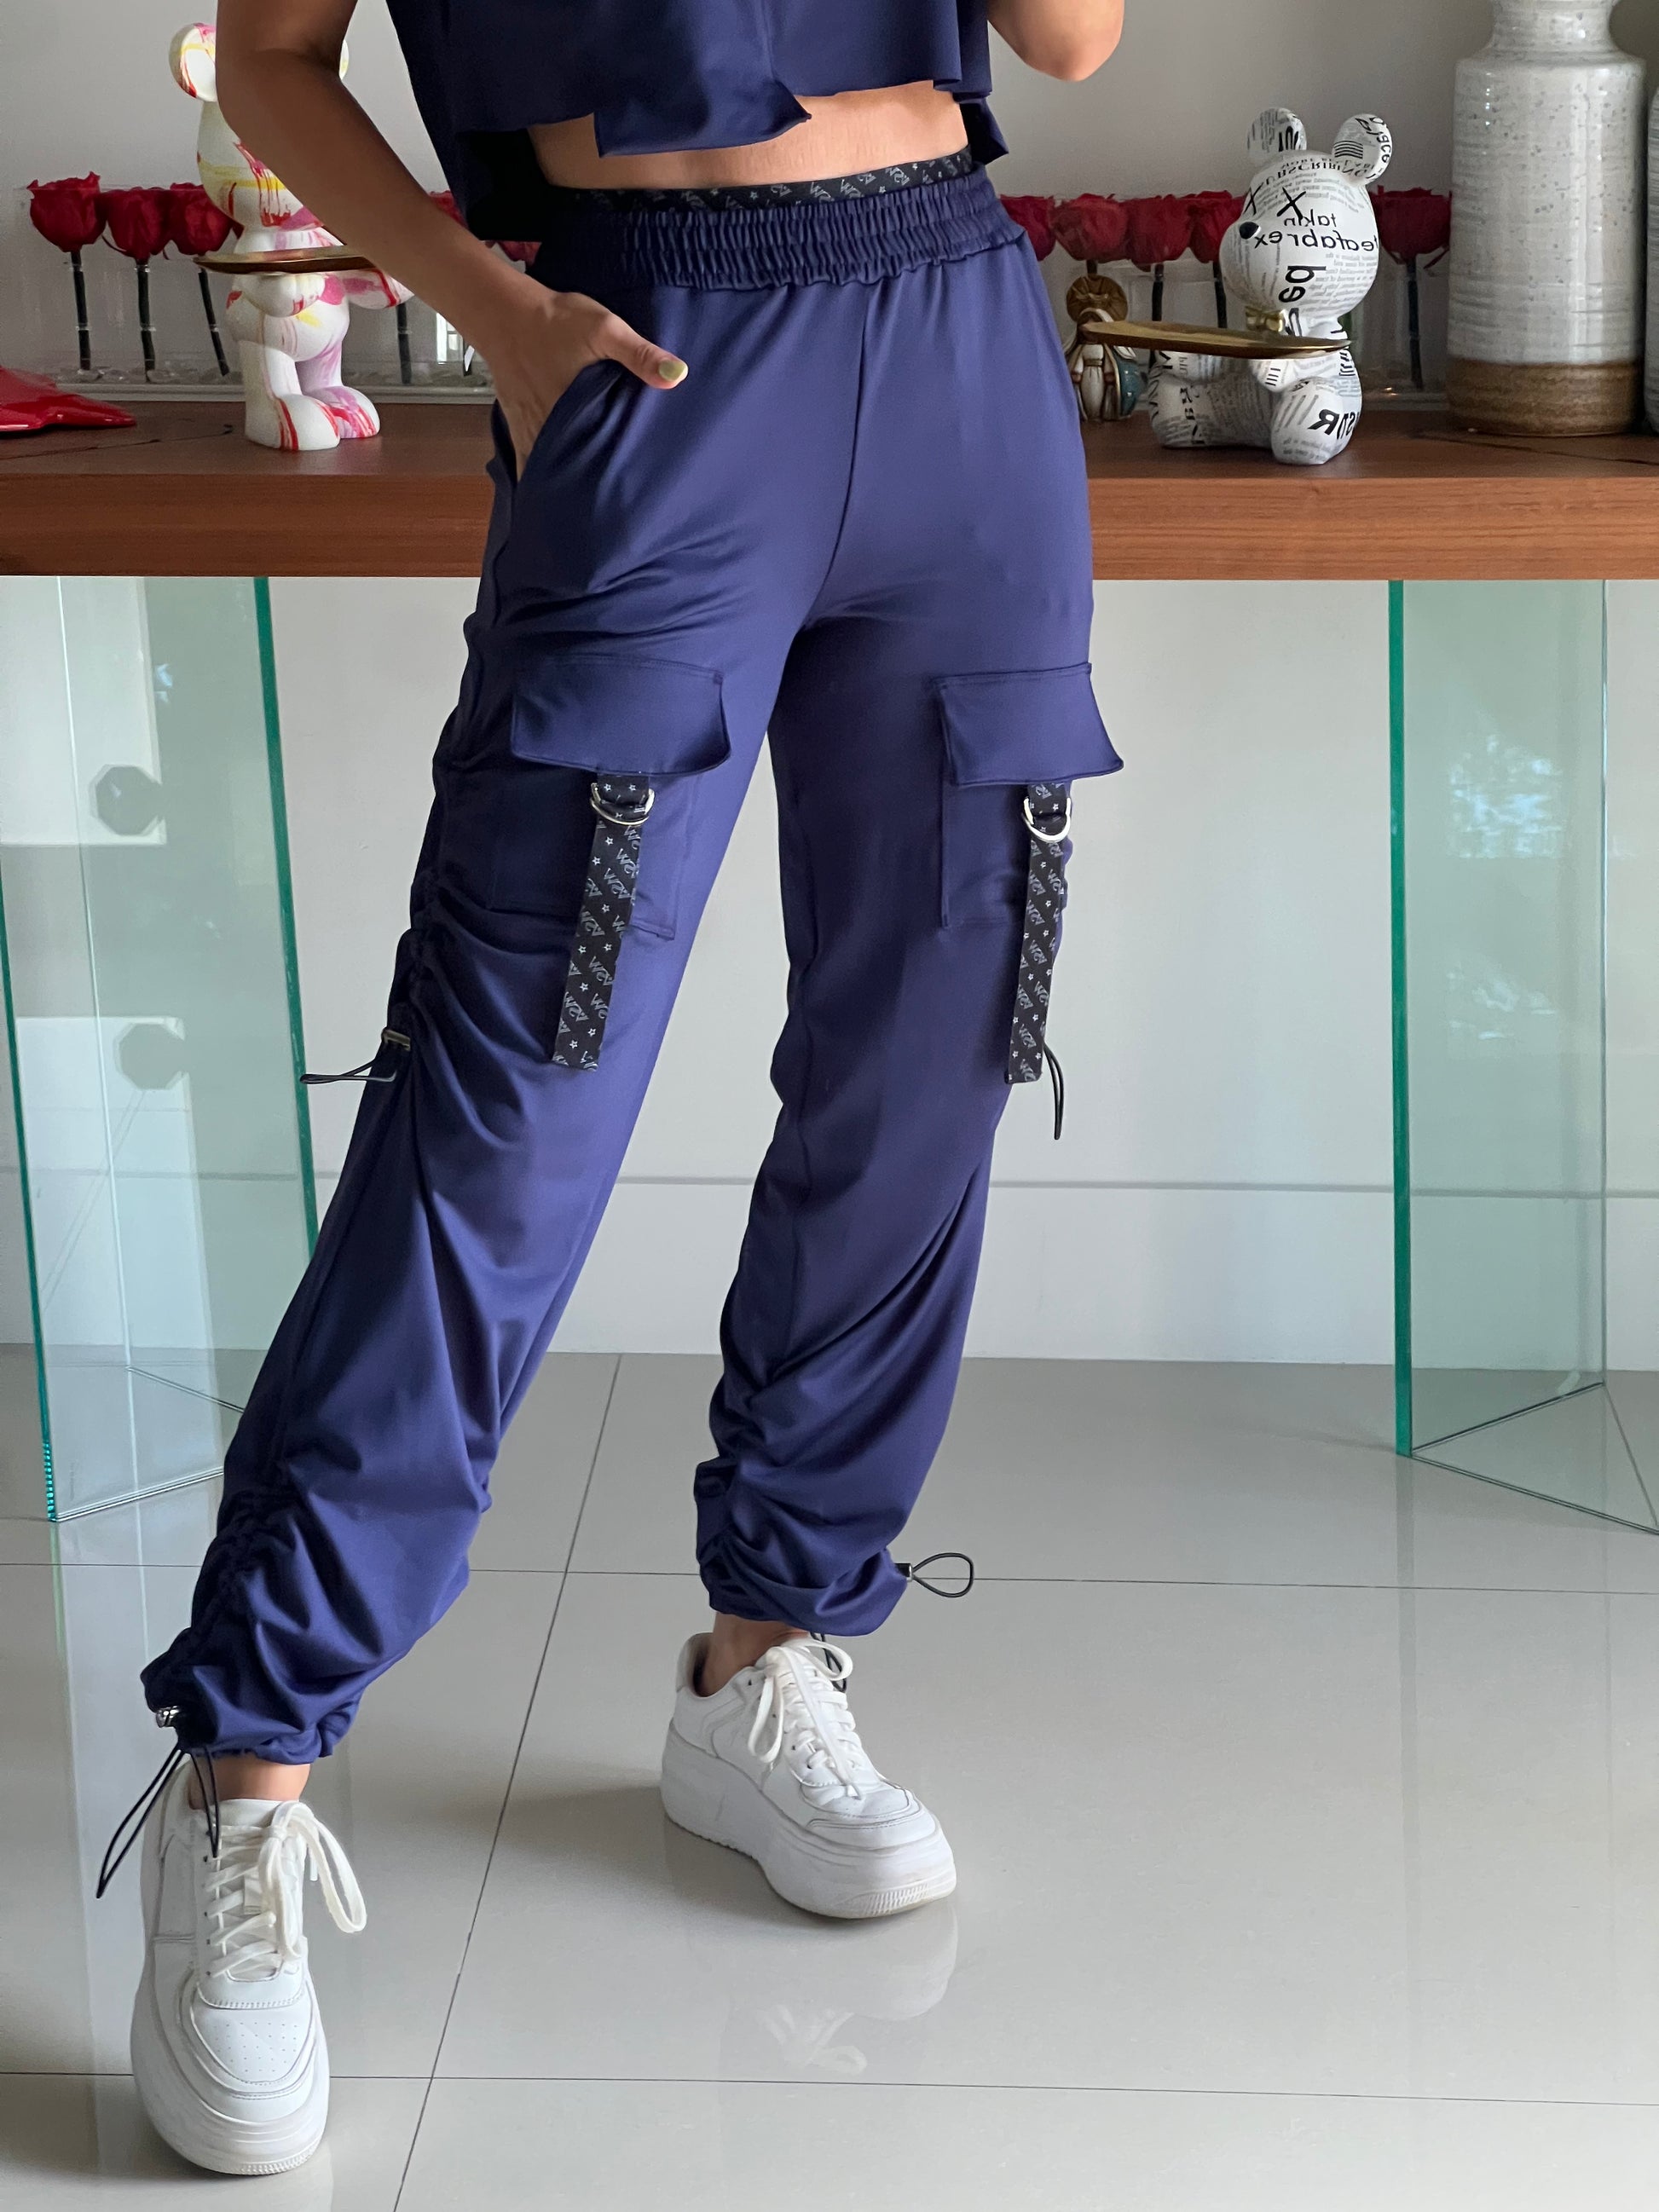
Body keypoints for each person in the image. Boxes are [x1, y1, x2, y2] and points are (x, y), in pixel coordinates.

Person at [100, 0, 1125, 2174]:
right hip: (655, 349)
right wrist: (493, 314)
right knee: (508, 1095)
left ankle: (771, 1649)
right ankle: (248, 1772)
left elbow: (1075, 39)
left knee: (928, 1054)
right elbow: (268, 55)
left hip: (954, 322)